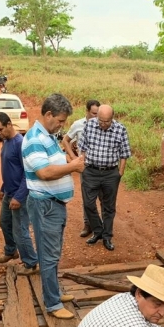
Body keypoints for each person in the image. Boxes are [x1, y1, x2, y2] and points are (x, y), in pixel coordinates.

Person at [21, 94, 86, 320]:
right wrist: (74, 166)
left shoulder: (48, 136)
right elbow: (45, 172)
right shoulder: (34, 139)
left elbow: (53, 164)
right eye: (59, 120)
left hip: (53, 204)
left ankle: (55, 292)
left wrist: (70, 162)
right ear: (48, 115)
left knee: (54, 253)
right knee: (48, 256)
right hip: (45, 205)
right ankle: (52, 303)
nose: (62, 125)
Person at [78, 104, 132, 251]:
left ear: (112, 118)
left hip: (110, 173)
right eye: (100, 120)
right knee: (88, 204)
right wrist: (82, 166)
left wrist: (119, 173)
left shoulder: (120, 129)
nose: (103, 124)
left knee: (108, 207)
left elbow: (124, 154)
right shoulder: (89, 125)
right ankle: (98, 230)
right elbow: (82, 147)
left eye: (106, 121)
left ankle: (106, 237)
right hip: (90, 171)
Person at [0, 112, 38, 274]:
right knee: (4, 223)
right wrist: (3, 188)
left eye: (0, 129)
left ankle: (31, 263)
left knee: (20, 230)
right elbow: (10, 169)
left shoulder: (20, 144)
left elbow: (27, 173)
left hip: (21, 195)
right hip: (9, 192)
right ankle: (11, 251)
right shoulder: (6, 141)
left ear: (9, 124)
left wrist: (19, 196)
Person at [62, 99, 100, 238]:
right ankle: (88, 224)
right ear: (87, 111)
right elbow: (65, 140)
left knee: (102, 198)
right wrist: (73, 158)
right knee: (87, 198)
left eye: (98, 113)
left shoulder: (104, 125)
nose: (96, 117)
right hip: (86, 168)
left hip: (102, 168)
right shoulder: (78, 125)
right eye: (94, 113)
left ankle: (102, 227)